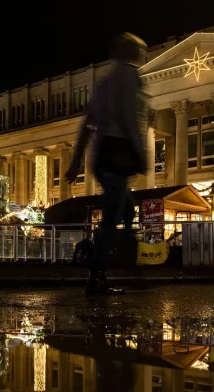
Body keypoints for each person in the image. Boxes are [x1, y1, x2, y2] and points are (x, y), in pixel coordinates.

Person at [66, 32, 148, 296]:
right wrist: (140, 151)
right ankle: (96, 276)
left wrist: (76, 160)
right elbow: (127, 117)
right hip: (117, 151)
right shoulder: (129, 76)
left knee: (120, 206)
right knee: (112, 217)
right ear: (132, 52)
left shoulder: (104, 82)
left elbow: (87, 124)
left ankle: (101, 262)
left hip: (101, 155)